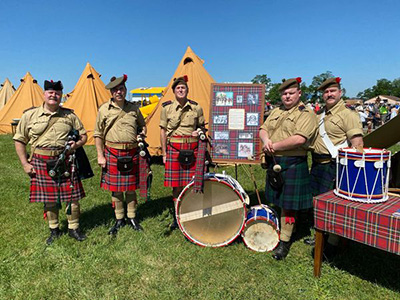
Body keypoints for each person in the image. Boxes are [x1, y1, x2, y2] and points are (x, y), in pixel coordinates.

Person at [14, 80, 87, 245]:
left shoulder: (70, 115)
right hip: (41, 160)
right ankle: (54, 230)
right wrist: (25, 164)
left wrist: (76, 144)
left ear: (61, 95)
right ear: (44, 94)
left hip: (66, 160)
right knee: (49, 199)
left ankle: (73, 228)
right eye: (50, 92)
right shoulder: (29, 115)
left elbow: (83, 135)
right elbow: (19, 140)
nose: (54, 95)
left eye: (57, 93)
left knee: (72, 198)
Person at [259, 77, 317, 260]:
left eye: (291, 93)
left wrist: (273, 146)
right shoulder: (276, 110)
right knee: (277, 198)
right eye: (284, 93)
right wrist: (266, 140)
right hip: (274, 160)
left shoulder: (306, 113)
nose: (287, 96)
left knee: (288, 206)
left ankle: (284, 242)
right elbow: (263, 128)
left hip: (292, 162)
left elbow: (300, 139)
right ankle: (287, 228)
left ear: (299, 93)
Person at [308, 77, 363, 259]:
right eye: (326, 92)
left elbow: (357, 145)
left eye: (333, 91)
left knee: (334, 206)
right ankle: (320, 234)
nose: (329, 94)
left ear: (340, 92)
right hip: (317, 165)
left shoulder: (349, 115)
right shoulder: (319, 115)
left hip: (336, 166)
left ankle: (332, 242)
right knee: (319, 202)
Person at [94, 74, 146, 235]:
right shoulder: (104, 109)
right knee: (116, 190)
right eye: (116, 90)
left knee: (131, 188)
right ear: (111, 92)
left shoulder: (134, 108)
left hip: (132, 152)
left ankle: (131, 217)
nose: (119, 92)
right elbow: (98, 134)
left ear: (125, 90)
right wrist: (100, 155)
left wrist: (141, 135)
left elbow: (143, 126)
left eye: (121, 89)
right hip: (112, 152)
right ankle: (119, 219)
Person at [160, 76, 205, 230]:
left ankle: (190, 215)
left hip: (193, 150)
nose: (181, 90)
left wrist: (199, 132)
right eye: (178, 88)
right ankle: (176, 217)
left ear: (187, 90)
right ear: (173, 91)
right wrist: (164, 154)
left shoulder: (196, 108)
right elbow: (163, 131)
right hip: (174, 150)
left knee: (192, 184)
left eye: (183, 88)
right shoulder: (166, 108)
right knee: (176, 186)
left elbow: (202, 127)